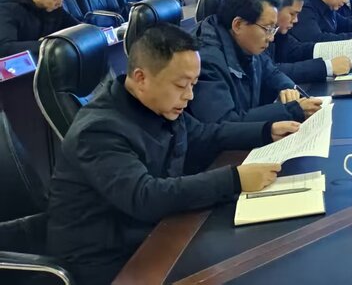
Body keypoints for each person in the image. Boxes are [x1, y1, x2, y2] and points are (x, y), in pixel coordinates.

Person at [46, 24, 298, 284]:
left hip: (154, 233)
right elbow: (144, 196)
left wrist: (266, 131)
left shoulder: (157, 104)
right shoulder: (98, 131)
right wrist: (234, 179)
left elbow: (205, 135)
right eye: (181, 85)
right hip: (108, 261)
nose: (189, 95)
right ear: (141, 78)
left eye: (193, 84)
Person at [188, 0, 322, 124]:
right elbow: (224, 122)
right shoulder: (205, 59)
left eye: (274, 29)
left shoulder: (247, 42)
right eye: (267, 29)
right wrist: (291, 111)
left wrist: (288, 89)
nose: (271, 38)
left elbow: (272, 72)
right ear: (238, 25)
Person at [264, 0, 351, 86]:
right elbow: (271, 72)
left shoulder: (280, 34)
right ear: (274, 10)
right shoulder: (258, 34)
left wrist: (343, 49)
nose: (296, 20)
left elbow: (298, 50)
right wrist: (327, 67)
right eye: (292, 14)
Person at [0, 0, 79, 56]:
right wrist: (48, 45)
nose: (60, 4)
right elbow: (4, 48)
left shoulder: (53, 7)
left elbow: (77, 28)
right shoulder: (7, 10)